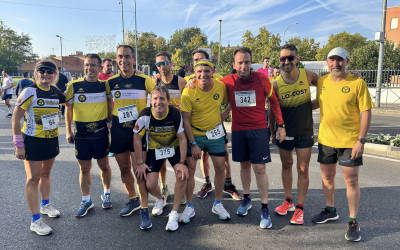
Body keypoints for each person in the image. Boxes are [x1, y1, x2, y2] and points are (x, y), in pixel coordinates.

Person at [312, 47, 373, 242]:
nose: (335, 64)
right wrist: (293, 105)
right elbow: (319, 102)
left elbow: (367, 113)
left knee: (351, 181)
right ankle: (330, 210)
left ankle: (353, 220)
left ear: (347, 61)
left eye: (340, 60)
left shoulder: (357, 83)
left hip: (349, 142)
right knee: (327, 177)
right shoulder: (321, 82)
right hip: (326, 140)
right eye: (332, 60)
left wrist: (360, 141)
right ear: (327, 62)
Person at [220, 47, 285, 228]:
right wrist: (192, 81)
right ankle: (246, 199)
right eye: (240, 62)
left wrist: (280, 125)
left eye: (247, 62)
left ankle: (264, 207)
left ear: (251, 63)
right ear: (234, 65)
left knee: (259, 168)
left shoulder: (262, 79)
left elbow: (274, 101)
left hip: (258, 130)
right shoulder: (228, 81)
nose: (244, 66)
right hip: (239, 130)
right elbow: (207, 81)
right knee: (244, 165)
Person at [268, 44, 321, 225]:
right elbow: (271, 110)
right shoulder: (276, 84)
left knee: (303, 169)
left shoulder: (307, 76)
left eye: (290, 57)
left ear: (297, 59)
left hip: (305, 131)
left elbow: (326, 88)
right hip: (285, 133)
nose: (287, 61)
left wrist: (311, 105)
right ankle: (288, 201)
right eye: (283, 58)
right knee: (286, 165)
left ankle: (300, 207)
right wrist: (272, 131)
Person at [12, 59, 66, 235]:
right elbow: (15, 118)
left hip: (51, 139)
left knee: (45, 174)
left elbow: (70, 101)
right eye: (42, 71)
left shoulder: (54, 91)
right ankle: (35, 221)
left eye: (50, 71)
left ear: (55, 75)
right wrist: (19, 145)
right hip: (33, 140)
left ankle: (45, 205)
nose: (46, 74)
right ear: (36, 73)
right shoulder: (30, 91)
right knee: (33, 179)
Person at [185, 49, 242, 201]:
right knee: (203, 155)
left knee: (224, 156)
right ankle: (206, 183)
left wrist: (226, 113)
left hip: (216, 126)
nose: (200, 64)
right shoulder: (190, 82)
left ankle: (228, 184)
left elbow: (232, 95)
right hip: (197, 128)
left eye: (202, 60)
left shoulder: (219, 80)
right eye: (196, 61)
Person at [107, 45, 155, 216]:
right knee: (125, 169)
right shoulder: (110, 83)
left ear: (134, 60)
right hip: (119, 131)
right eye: (120, 56)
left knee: (139, 169)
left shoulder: (144, 80)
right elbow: (106, 101)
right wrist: (109, 120)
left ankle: (144, 206)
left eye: (127, 56)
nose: (123, 60)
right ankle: (133, 199)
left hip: (138, 133)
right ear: (116, 59)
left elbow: (158, 97)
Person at [180, 60, 231, 222]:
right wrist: (194, 144)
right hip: (195, 134)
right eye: (199, 71)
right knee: (191, 170)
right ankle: (189, 206)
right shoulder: (188, 91)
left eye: (207, 71)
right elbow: (185, 120)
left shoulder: (220, 86)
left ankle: (217, 204)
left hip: (215, 133)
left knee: (220, 168)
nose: (203, 74)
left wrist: (226, 112)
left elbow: (232, 98)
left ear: (213, 72)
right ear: (194, 74)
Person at [133, 86, 189, 231]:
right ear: (151, 101)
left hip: (174, 147)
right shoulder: (145, 115)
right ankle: (160, 199)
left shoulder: (175, 113)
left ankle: (174, 213)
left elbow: (183, 138)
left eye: (162, 98)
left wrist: (182, 162)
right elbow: (137, 138)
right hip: (155, 149)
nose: (159, 102)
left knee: (182, 175)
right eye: (155, 98)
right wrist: (139, 162)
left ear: (169, 101)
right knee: (150, 185)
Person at [65, 54, 113, 217]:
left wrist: (111, 121)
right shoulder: (74, 85)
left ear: (100, 68)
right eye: (87, 65)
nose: (89, 68)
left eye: (93, 65)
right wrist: (68, 130)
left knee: (104, 166)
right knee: (84, 169)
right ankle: (86, 200)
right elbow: (69, 109)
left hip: (100, 134)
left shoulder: (104, 85)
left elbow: (109, 104)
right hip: (82, 135)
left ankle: (106, 192)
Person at [151, 51, 187, 203]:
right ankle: (164, 186)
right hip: (161, 127)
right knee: (162, 160)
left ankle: (181, 190)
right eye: (158, 64)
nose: (162, 66)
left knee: (180, 161)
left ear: (171, 64)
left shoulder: (181, 81)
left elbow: (188, 104)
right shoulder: (155, 83)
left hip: (178, 126)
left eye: (164, 63)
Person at [98, 58, 115, 157]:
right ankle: (106, 148)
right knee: (106, 129)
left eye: (111, 65)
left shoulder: (112, 77)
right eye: (107, 65)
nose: (110, 67)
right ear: (102, 67)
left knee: (112, 127)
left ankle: (112, 147)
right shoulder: (99, 77)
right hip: (103, 108)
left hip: (112, 106)